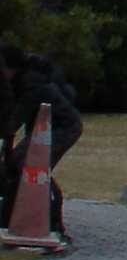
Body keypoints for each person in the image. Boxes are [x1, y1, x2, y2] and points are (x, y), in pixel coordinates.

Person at [0, 45, 82, 245]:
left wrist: (6, 142)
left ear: (10, 68)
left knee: (31, 168)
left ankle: (54, 223)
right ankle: (11, 217)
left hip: (62, 127)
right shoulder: (23, 79)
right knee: (17, 164)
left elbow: (15, 119)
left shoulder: (30, 83)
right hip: (48, 127)